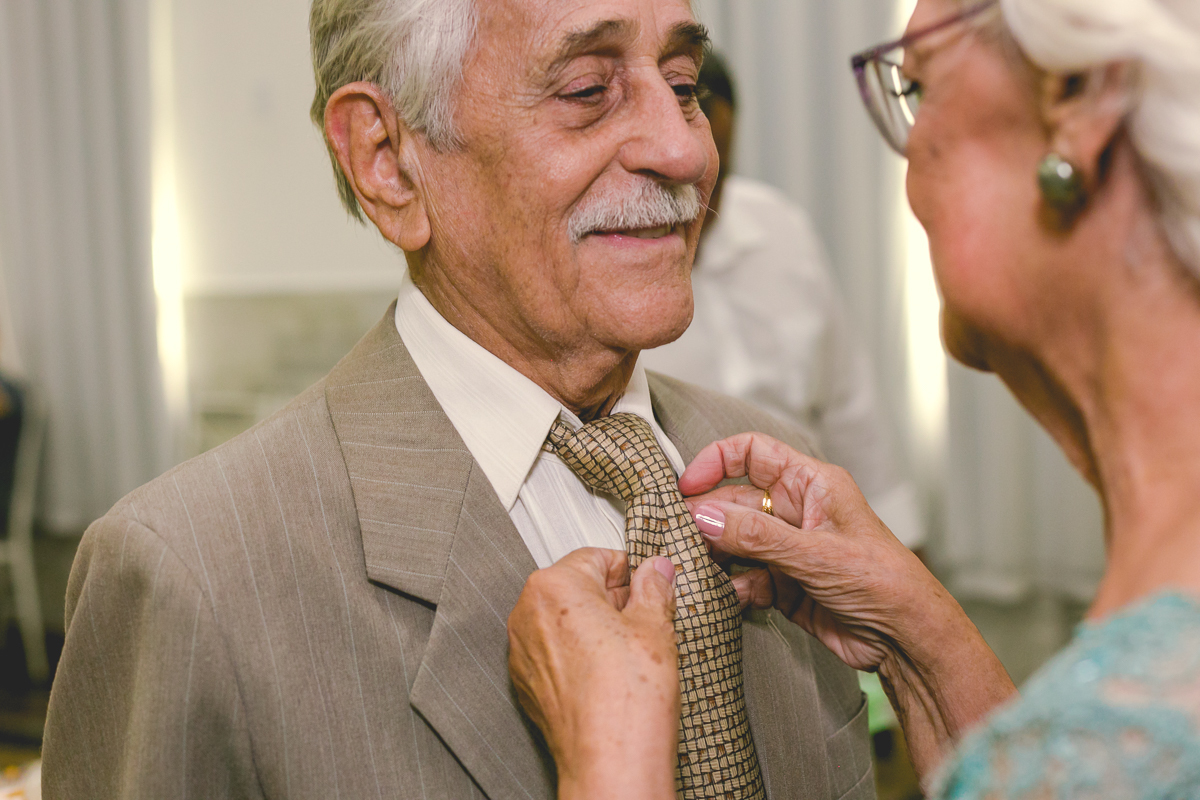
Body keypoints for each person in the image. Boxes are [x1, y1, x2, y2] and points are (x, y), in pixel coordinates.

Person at [40, 0, 873, 797]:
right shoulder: (191, 577)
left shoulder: (774, 460)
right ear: (388, 161)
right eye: (587, 90)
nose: (685, 151)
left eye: (683, 86)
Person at [507, 0, 1200, 797]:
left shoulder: (1127, 737)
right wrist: (918, 633)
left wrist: (613, 769)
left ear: (1079, 108)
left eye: (921, 89)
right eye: (589, 88)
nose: (684, 152)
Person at [641, 53, 923, 549]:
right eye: (678, 181)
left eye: (719, 171)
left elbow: (849, 409)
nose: (703, 196)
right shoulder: (619, 276)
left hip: (822, 535)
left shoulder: (780, 230)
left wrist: (902, 546)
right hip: (689, 555)